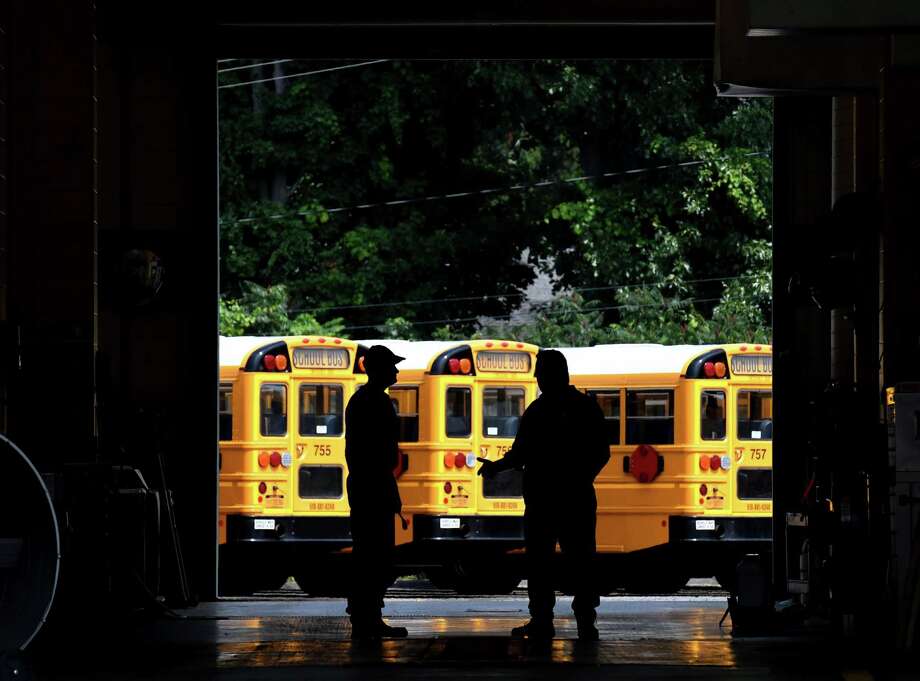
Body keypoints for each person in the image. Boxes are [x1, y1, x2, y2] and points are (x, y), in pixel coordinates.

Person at [478, 349, 609, 641]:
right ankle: (585, 622)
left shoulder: (538, 411)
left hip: (542, 501)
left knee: (539, 563)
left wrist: (496, 467)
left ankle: (541, 621)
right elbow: (602, 451)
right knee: (582, 561)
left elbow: (520, 453)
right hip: (578, 499)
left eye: (540, 372)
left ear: (549, 375)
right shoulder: (586, 407)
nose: (537, 378)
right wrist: (582, 478)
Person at [344, 344, 409, 640]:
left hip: (367, 484)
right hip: (374, 485)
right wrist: (387, 490)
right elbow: (379, 452)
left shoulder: (361, 400)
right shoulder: (376, 402)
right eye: (391, 366)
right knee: (375, 555)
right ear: (379, 370)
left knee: (369, 554)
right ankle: (367, 616)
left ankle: (366, 615)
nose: (396, 371)